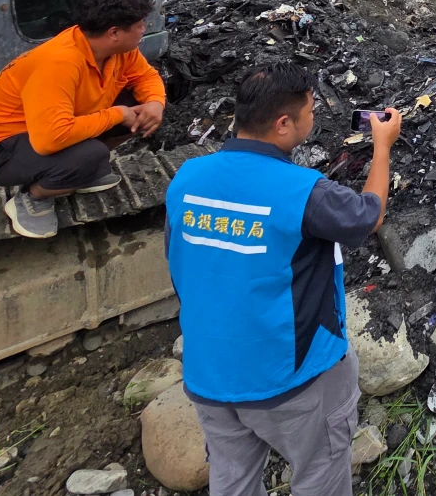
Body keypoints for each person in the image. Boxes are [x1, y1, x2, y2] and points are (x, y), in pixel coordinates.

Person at [165, 62, 402, 496]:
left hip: (209, 372)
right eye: (310, 111)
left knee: (231, 481)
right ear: (283, 123)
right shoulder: (303, 191)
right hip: (292, 377)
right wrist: (383, 146)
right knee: (320, 477)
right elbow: (368, 214)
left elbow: (179, 262)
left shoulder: (186, 179)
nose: (314, 119)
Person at [0, 0, 166, 239]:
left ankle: (72, 175)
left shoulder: (119, 51)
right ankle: (34, 196)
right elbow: (49, 140)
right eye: (140, 25)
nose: (144, 30)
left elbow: (145, 77)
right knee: (90, 155)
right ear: (114, 33)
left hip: (46, 129)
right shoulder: (60, 63)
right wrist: (117, 114)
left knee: (144, 109)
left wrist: (155, 102)